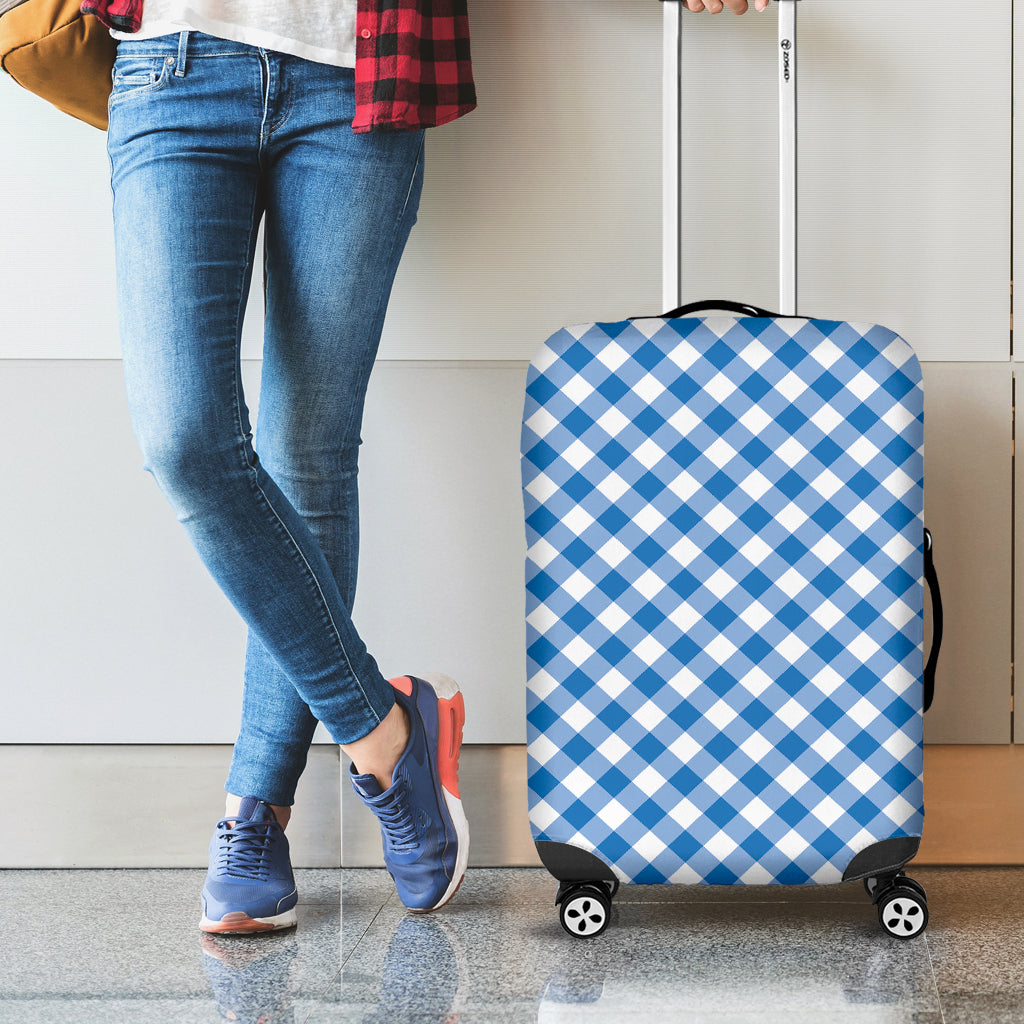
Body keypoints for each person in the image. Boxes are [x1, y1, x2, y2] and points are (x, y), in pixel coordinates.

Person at [84, 0, 476, 932]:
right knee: (184, 441)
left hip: (359, 79)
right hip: (173, 69)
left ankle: (255, 813)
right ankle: (386, 730)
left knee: (309, 456)